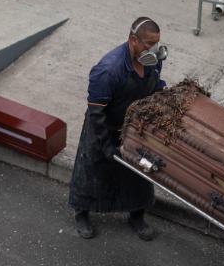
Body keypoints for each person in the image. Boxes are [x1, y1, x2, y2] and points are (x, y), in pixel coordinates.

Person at [67, 17, 166, 240]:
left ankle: (137, 215)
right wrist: (105, 145)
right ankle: (81, 213)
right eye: (150, 43)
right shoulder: (108, 69)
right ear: (133, 40)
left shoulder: (152, 61)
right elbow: (96, 112)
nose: (154, 49)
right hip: (102, 126)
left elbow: (155, 84)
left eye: (157, 43)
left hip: (133, 128)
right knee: (92, 170)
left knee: (138, 173)